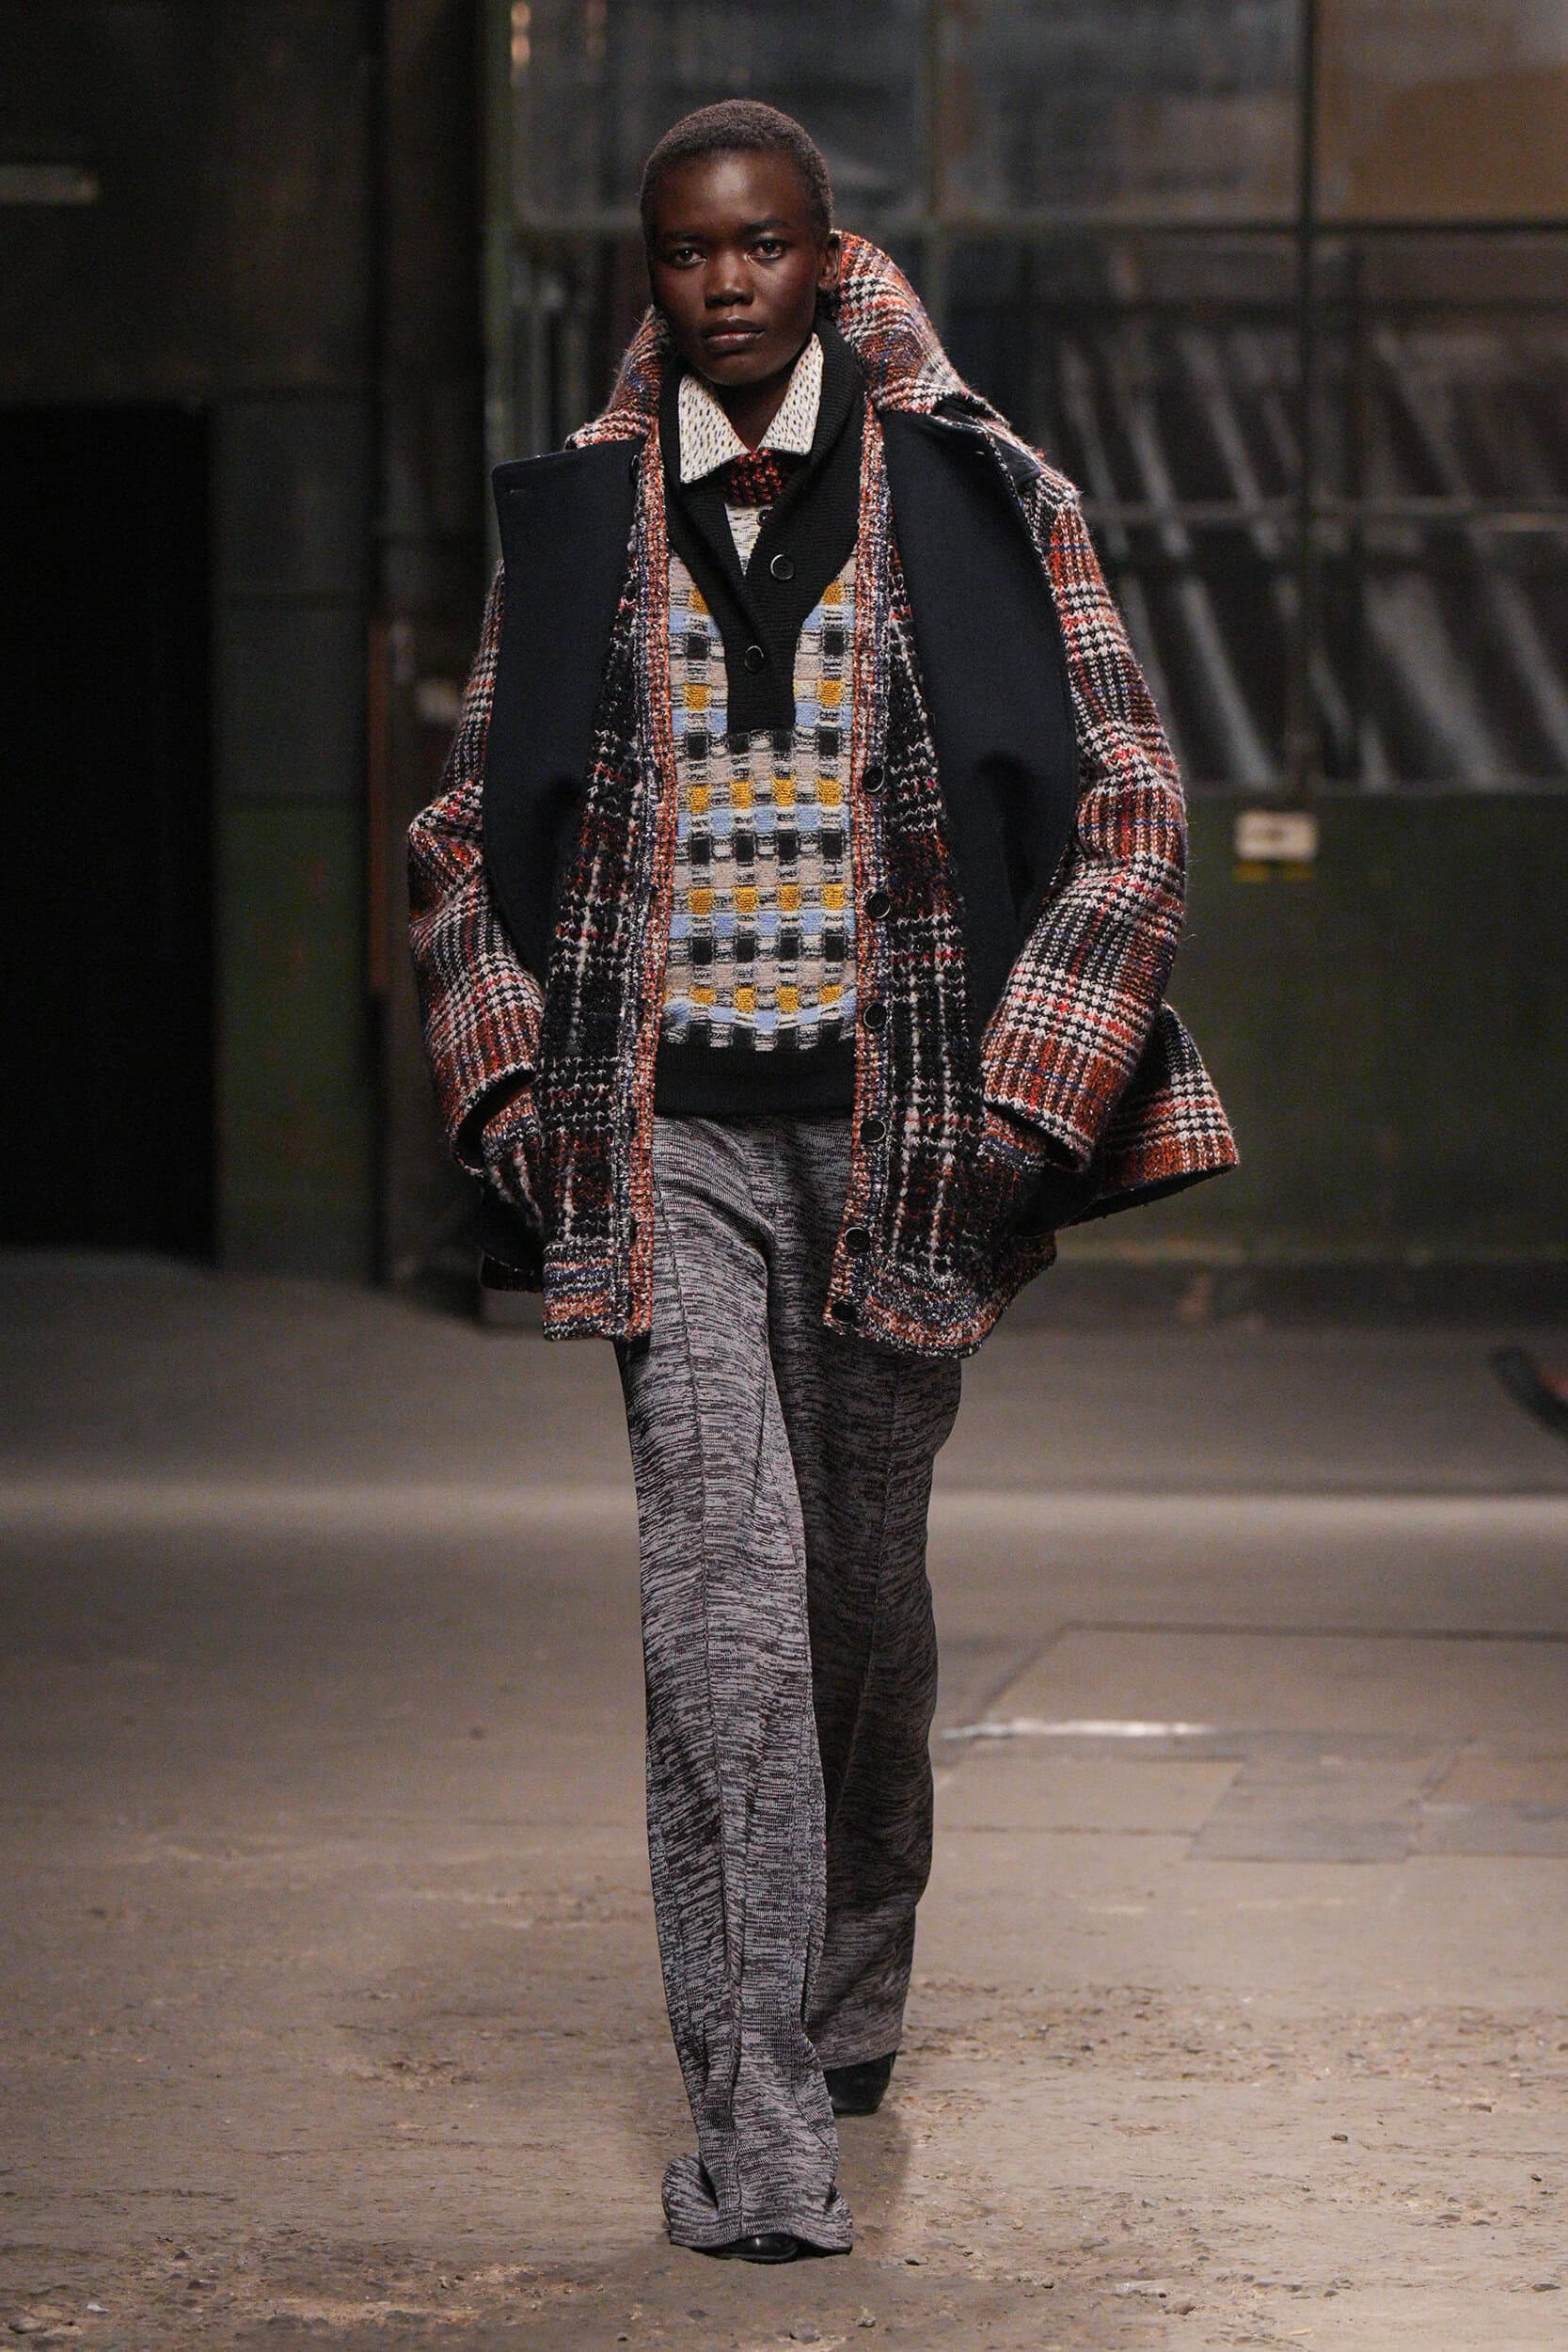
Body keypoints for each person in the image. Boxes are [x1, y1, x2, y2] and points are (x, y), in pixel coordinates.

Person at [408, 99, 1236, 2265]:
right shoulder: (579, 521)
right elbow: (466, 828)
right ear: (652, 274)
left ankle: (851, 1978)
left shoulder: (985, 494)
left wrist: (1031, 1097)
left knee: (856, 1614)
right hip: (661, 1135)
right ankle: (762, 2128)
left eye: (763, 244)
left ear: (824, 250)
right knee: (724, 1619)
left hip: (908, 1142)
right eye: (690, 254)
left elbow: (1135, 800)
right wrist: (513, 1087)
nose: (728, 284)